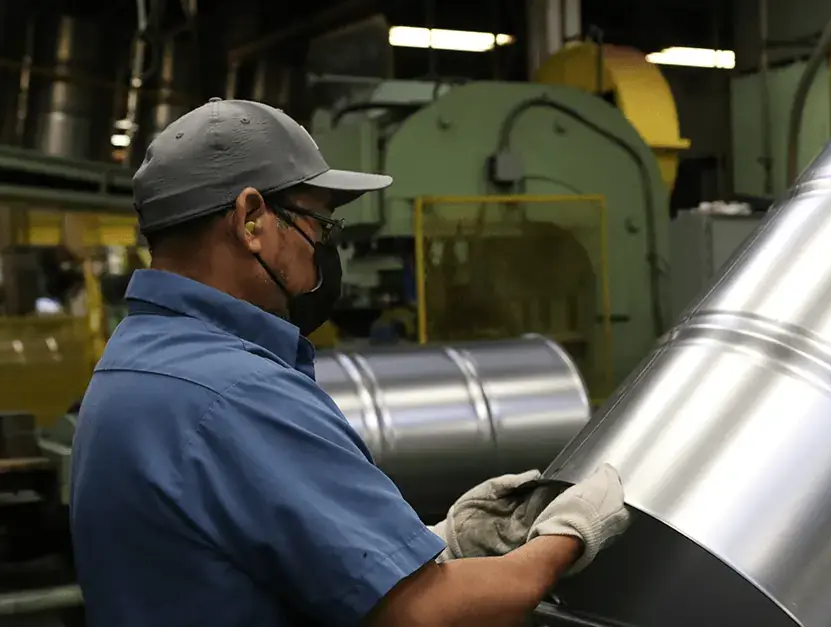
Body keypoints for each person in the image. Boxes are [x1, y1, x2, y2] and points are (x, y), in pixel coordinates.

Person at [69, 97, 631, 627]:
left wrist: (437, 544)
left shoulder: (131, 364)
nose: (322, 252)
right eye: (319, 225)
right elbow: (424, 615)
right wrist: (563, 539)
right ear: (251, 219)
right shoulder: (237, 392)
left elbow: (247, 559)